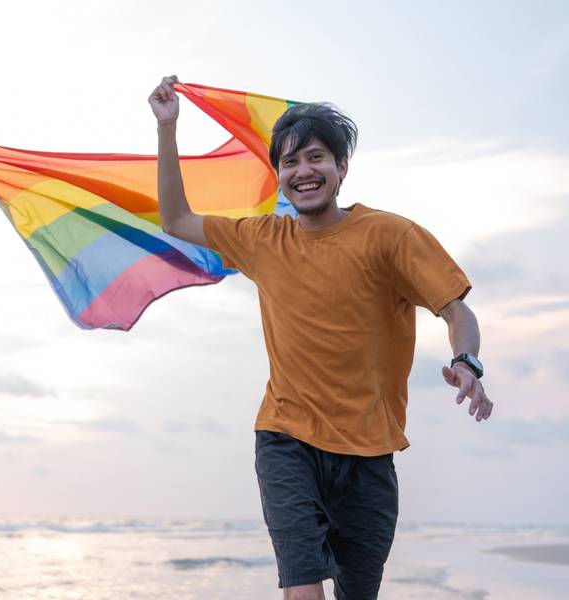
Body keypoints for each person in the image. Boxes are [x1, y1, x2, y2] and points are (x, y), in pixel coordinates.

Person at [149, 76, 493, 600]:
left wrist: (467, 361)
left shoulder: (390, 236)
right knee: (302, 590)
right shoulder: (262, 239)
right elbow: (175, 218)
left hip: (370, 452)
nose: (304, 171)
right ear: (279, 174)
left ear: (341, 168)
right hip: (286, 438)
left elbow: (455, 309)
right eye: (290, 162)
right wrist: (168, 128)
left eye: (316, 158)